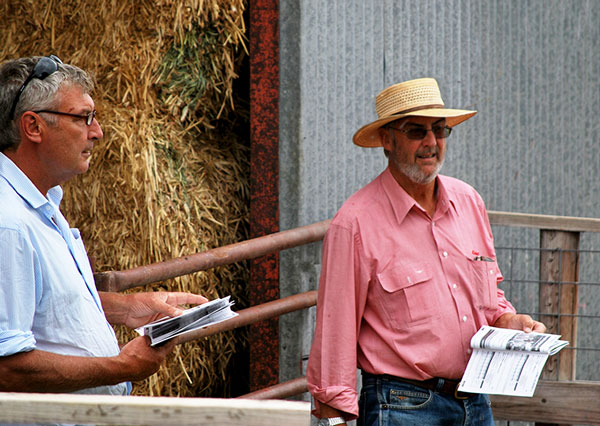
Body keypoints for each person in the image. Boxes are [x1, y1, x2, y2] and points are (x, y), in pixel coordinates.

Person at [306, 78, 546, 426]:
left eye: (440, 130)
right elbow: (334, 335)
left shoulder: (468, 201)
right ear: (387, 140)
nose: (431, 142)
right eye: (417, 131)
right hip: (402, 406)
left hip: (475, 401)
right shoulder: (355, 223)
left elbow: (488, 297)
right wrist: (335, 420)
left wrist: (509, 322)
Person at [0, 55, 208, 396]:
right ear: (33, 127)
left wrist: (124, 307)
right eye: (84, 118)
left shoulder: (40, 202)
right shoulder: (8, 223)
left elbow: (35, 299)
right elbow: (6, 368)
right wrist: (122, 367)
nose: (97, 132)